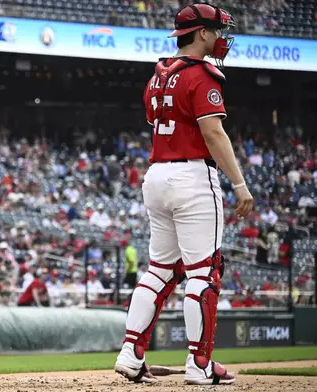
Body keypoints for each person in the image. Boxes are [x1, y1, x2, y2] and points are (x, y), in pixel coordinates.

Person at [114, 3, 253, 386]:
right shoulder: (203, 74)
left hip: (156, 174)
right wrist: (240, 183)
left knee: (159, 269)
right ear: (203, 33)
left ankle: (130, 353)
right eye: (218, 30)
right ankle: (200, 364)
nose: (222, 37)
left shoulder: (157, 75)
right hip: (192, 176)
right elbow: (213, 133)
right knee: (203, 272)